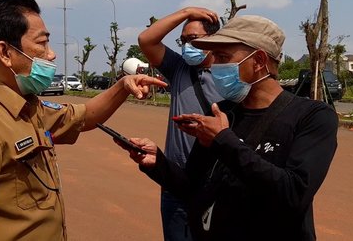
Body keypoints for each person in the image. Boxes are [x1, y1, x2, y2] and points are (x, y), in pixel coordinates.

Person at [0, 0, 166, 241]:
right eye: (42, 43)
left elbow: (85, 116)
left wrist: (122, 86)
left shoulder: (26, 106)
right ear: (5, 53)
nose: (51, 54)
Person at [123, 15, 338, 241]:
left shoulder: (313, 116)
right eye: (214, 56)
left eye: (223, 57)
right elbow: (192, 187)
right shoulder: (224, 113)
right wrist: (157, 163)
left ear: (259, 61)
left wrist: (224, 140)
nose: (215, 65)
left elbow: (294, 193)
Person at [137, 7, 222, 241]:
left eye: (192, 39)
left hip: (214, 185)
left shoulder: (230, 77)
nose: (186, 46)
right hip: (175, 182)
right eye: (182, 40)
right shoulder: (178, 68)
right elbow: (146, 39)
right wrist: (186, 12)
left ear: (214, 39)